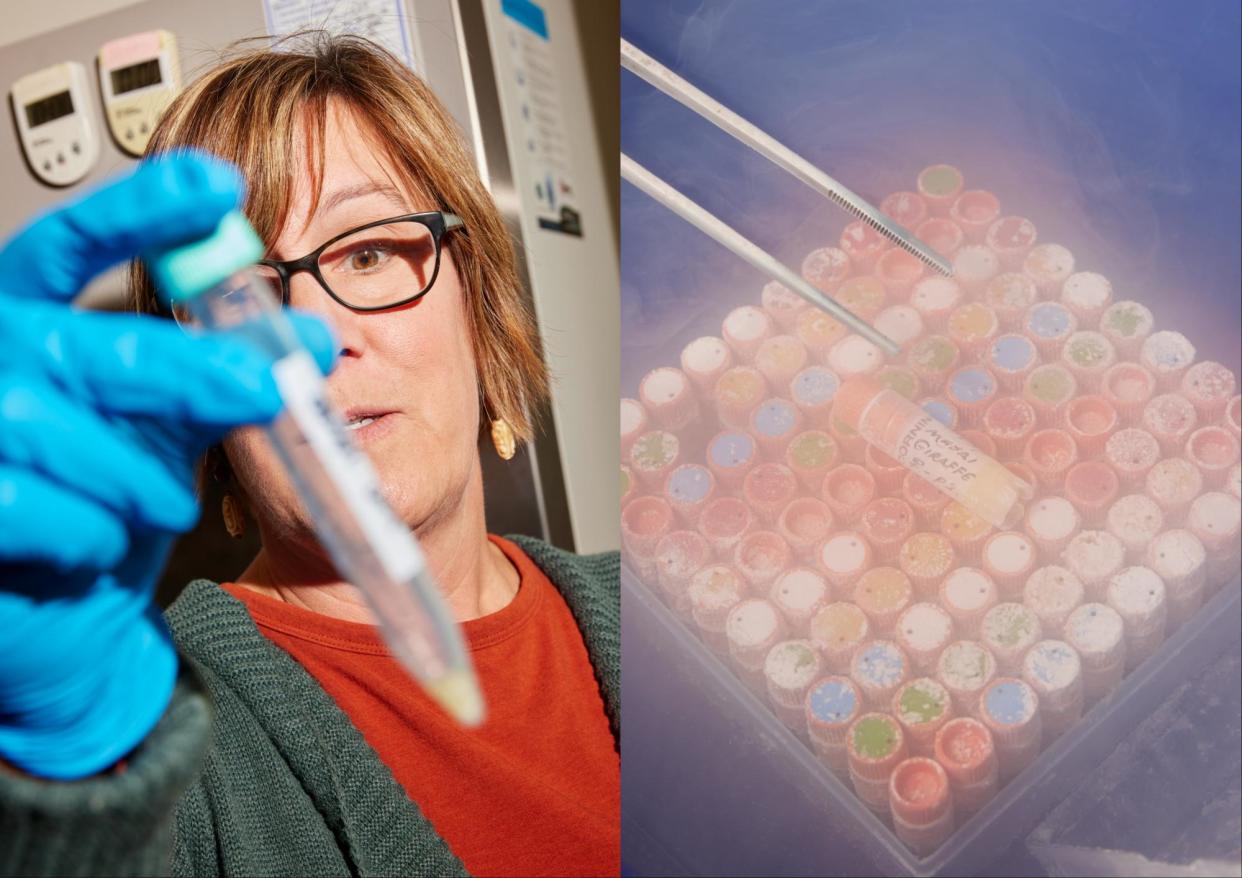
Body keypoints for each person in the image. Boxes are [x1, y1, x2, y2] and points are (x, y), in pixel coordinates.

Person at [0, 34, 618, 877]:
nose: (315, 342)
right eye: (240, 295)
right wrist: (56, 771)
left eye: (368, 253)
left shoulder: (650, 601)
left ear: (480, 300)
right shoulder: (165, 731)